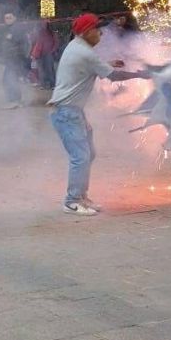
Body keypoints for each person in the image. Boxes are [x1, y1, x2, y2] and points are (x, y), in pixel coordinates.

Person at [48, 13, 146, 215]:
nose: (100, 33)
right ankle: (72, 201)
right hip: (67, 112)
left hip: (74, 111)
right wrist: (142, 75)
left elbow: (94, 65)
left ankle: (81, 196)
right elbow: (113, 76)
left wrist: (109, 62)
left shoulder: (78, 47)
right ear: (86, 32)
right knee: (81, 157)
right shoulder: (84, 53)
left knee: (88, 154)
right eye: (96, 29)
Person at [0, 12, 29, 107]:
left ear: (15, 18)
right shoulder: (8, 29)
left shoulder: (17, 28)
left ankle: (15, 100)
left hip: (15, 59)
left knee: (9, 79)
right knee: (9, 79)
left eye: (9, 17)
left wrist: (21, 56)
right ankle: (14, 100)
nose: (7, 19)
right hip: (10, 59)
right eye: (6, 18)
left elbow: (21, 43)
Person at [30, 21, 59, 89]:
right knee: (41, 70)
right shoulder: (38, 33)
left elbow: (56, 42)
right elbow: (34, 42)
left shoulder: (52, 32)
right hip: (40, 53)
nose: (43, 26)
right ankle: (43, 84)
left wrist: (52, 51)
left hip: (48, 53)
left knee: (49, 69)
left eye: (45, 25)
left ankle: (52, 84)